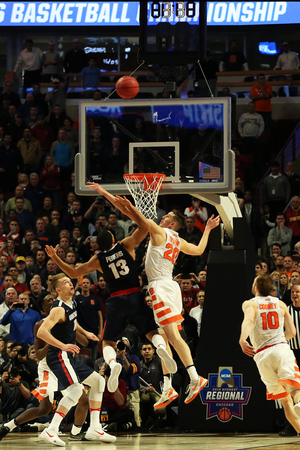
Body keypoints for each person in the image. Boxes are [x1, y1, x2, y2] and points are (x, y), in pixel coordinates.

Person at [88, 182, 220, 406]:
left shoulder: (161, 232)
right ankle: (168, 387)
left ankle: (195, 378)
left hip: (160, 287)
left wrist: (107, 194)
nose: (162, 217)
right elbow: (199, 250)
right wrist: (207, 230)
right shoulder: (178, 240)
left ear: (172, 223)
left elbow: (132, 214)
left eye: (166, 215)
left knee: (173, 337)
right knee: (163, 336)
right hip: (169, 287)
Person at [45, 194, 177, 399]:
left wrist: (56, 258)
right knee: (151, 331)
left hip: (115, 300)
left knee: (107, 342)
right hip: (134, 295)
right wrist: (132, 209)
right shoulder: (126, 245)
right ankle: (161, 348)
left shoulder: (98, 259)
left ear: (98, 245)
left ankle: (113, 364)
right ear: (114, 239)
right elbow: (144, 228)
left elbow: (73, 273)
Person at [37, 274, 116, 445]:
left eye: (69, 280)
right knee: (76, 391)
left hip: (67, 356)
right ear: (58, 289)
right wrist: (63, 346)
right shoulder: (57, 308)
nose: (70, 284)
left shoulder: (71, 303)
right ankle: (51, 430)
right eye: (65, 282)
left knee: (98, 382)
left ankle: (95, 427)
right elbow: (41, 332)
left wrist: (84, 332)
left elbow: (72, 320)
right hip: (58, 356)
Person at [0, 293, 90, 442]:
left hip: (65, 364)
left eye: (57, 300)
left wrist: (72, 329)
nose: (56, 302)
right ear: (45, 308)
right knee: (44, 409)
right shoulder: (40, 325)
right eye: (52, 301)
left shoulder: (67, 320)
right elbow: (40, 355)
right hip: (48, 367)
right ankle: (8, 426)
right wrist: (54, 342)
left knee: (83, 400)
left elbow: (85, 342)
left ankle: (74, 433)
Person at [239, 274, 300, 435]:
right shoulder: (280, 304)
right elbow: (292, 332)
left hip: (262, 356)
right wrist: (277, 338)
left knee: (285, 401)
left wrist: (243, 339)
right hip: (280, 349)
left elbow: (249, 321)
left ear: (256, 288)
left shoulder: (250, 303)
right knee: (295, 390)